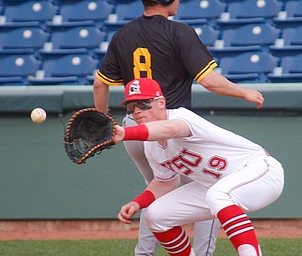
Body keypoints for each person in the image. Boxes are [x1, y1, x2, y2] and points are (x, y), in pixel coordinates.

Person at [93, 0, 264, 255]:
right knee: (210, 187)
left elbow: (99, 84)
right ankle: (204, 252)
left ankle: (143, 253)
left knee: (158, 193)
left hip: (134, 127)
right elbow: (209, 81)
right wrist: (244, 92)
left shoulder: (123, 34)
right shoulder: (179, 31)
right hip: (171, 126)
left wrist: (104, 120)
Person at [115, 78, 284, 256]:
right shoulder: (151, 146)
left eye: (143, 104)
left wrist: (125, 133)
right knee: (156, 215)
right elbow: (166, 182)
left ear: (161, 102)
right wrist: (137, 203)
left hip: (260, 172)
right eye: (131, 107)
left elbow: (172, 130)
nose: (137, 111)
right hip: (217, 185)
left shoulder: (180, 116)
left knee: (218, 194)